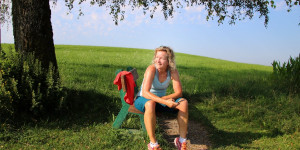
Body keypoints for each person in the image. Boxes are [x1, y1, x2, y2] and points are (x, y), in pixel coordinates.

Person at [134, 46, 188, 150]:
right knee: (150, 103)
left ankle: (182, 141)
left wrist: (166, 98)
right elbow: (145, 92)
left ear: (169, 61)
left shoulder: (172, 71)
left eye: (162, 58)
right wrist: (164, 101)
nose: (158, 61)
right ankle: (153, 144)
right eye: (156, 57)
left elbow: (179, 92)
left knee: (183, 103)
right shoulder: (151, 69)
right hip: (143, 99)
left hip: (160, 101)